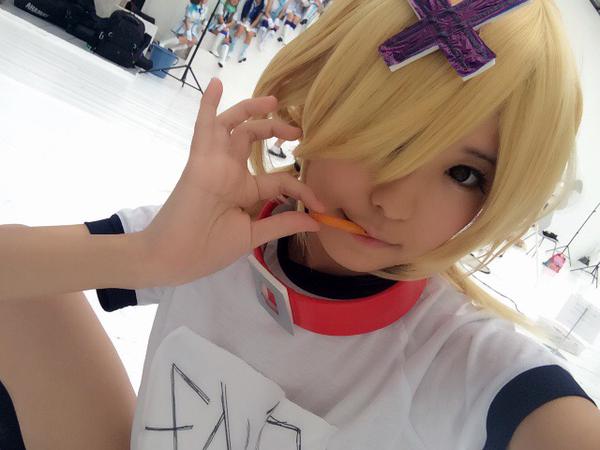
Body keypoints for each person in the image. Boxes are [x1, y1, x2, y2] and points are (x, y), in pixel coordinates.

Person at [2, 0, 600, 449]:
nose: (395, 202)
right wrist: (148, 258)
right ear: (316, 101)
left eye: (464, 174)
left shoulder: (461, 358)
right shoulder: (220, 239)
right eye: (387, 134)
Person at [208, 0, 242, 67]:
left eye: (237, 0)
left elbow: (232, 23)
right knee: (226, 33)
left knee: (227, 38)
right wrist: (224, 26)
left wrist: (225, 27)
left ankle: (222, 60)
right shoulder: (222, 4)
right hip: (214, 26)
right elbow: (220, 18)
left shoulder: (236, 11)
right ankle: (215, 51)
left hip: (223, 30)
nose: (235, 1)